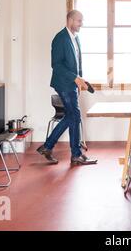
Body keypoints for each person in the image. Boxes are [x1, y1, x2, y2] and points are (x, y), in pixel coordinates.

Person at [36, 10, 98, 166]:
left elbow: (78, 63)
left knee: (73, 116)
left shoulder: (76, 39)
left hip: (73, 84)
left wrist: (80, 82)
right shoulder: (60, 38)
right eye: (79, 21)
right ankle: (74, 154)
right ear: (70, 20)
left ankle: (49, 146)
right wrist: (74, 78)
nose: (81, 24)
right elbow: (56, 65)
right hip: (63, 84)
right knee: (74, 115)